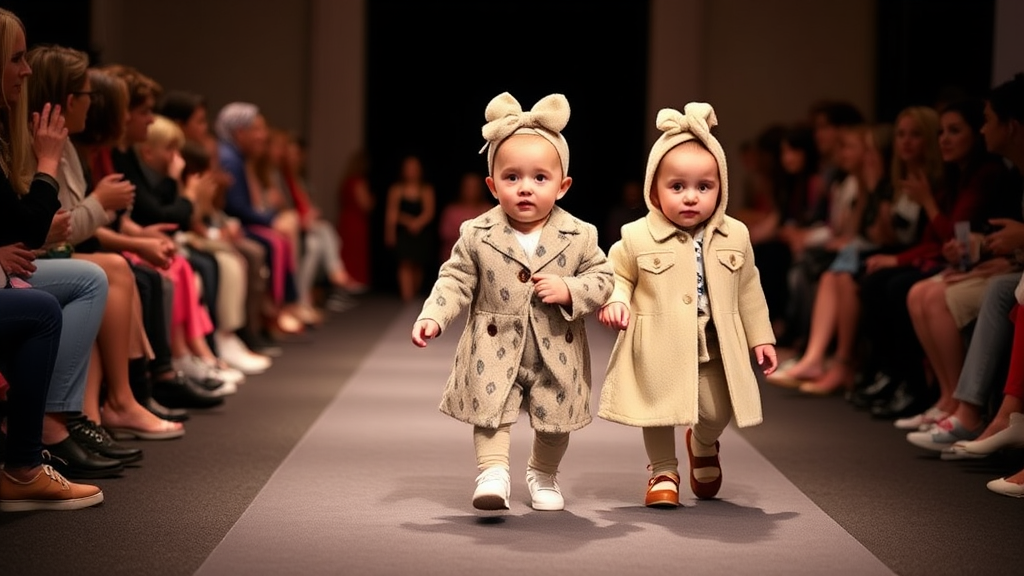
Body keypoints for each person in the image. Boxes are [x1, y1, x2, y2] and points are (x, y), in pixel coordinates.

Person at [410, 93, 613, 512]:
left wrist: (571, 290)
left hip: (556, 344)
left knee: (555, 420)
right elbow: (455, 278)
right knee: (492, 408)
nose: (525, 188)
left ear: (563, 185)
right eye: (512, 177)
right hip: (494, 340)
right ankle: (492, 472)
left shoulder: (580, 235)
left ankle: (543, 473)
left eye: (540, 178)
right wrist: (434, 314)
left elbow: (604, 279)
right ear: (492, 184)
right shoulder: (477, 232)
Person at [597, 103, 778, 508]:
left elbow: (749, 288)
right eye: (677, 187)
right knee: (657, 408)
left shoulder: (736, 235)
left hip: (715, 340)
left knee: (717, 408)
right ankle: (663, 469)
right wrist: (618, 301)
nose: (691, 197)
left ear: (721, 187)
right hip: (656, 336)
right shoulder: (637, 235)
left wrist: (760, 337)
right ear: (654, 190)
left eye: (704, 186)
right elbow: (618, 275)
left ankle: (703, 441)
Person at [385, 155, 435, 301]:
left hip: (421, 231)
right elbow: (391, 214)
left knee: (417, 263)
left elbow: (429, 211)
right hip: (403, 232)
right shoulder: (396, 189)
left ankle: (415, 293)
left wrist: (417, 223)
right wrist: (390, 233)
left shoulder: (426, 189)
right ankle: (407, 297)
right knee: (405, 263)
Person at [337, 149, 373, 289]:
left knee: (346, 253)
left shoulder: (345, 181)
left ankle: (346, 282)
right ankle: (353, 283)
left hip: (345, 221)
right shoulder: (358, 182)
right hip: (356, 224)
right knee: (355, 255)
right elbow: (365, 204)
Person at [438, 171, 491, 261]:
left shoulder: (488, 210)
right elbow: (445, 234)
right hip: (454, 259)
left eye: (475, 187)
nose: (471, 190)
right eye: (468, 187)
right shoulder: (451, 211)